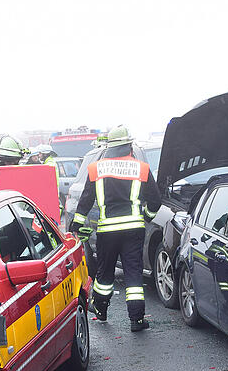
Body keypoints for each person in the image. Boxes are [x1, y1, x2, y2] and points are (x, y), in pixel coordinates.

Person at [69, 125, 161, 332]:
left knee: (105, 273)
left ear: (109, 148)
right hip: (133, 230)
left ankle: (100, 310)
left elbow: (85, 201)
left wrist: (77, 225)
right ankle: (136, 320)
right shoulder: (142, 168)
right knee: (134, 274)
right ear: (129, 146)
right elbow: (155, 201)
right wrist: (145, 218)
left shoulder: (95, 168)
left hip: (107, 231)